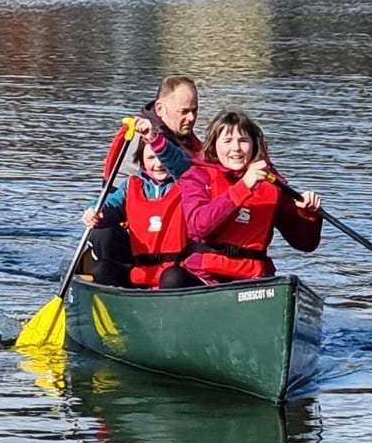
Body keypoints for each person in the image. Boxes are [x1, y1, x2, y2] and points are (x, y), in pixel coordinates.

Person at [163, 109, 323, 288]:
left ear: (254, 145)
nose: (236, 148)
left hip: (251, 280)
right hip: (204, 277)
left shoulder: (272, 184)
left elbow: (306, 244)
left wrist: (308, 215)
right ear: (214, 145)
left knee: (284, 286)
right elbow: (199, 226)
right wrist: (244, 187)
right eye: (227, 141)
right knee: (171, 277)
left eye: (243, 141)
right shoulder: (197, 176)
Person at [86, 75, 203, 280]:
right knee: (103, 236)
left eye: (194, 111)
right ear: (160, 109)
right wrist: (97, 211)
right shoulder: (138, 140)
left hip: (174, 255)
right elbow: (119, 198)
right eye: (184, 112)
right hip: (135, 239)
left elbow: (187, 176)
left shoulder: (191, 148)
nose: (192, 118)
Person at [82, 136, 188, 288]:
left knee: (172, 277)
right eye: (151, 158)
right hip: (140, 270)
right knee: (102, 270)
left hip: (176, 271)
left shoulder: (187, 185)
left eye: (162, 157)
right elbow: (112, 203)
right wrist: (94, 210)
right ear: (141, 160)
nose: (157, 164)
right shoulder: (131, 185)